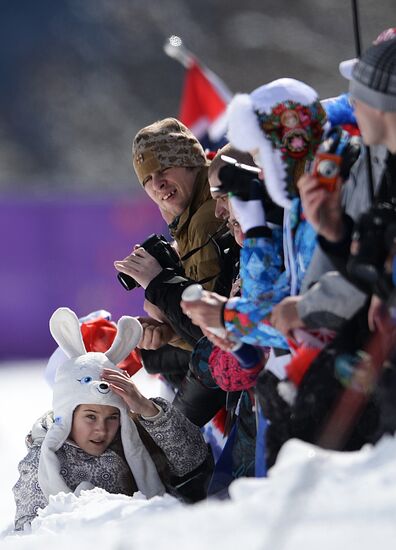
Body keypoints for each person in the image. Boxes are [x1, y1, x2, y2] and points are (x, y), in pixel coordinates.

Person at [13, 308, 210, 531]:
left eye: (112, 417)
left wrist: (148, 409)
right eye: (90, 416)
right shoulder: (42, 460)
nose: (101, 429)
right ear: (67, 413)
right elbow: (27, 530)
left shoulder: (136, 436)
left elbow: (194, 459)